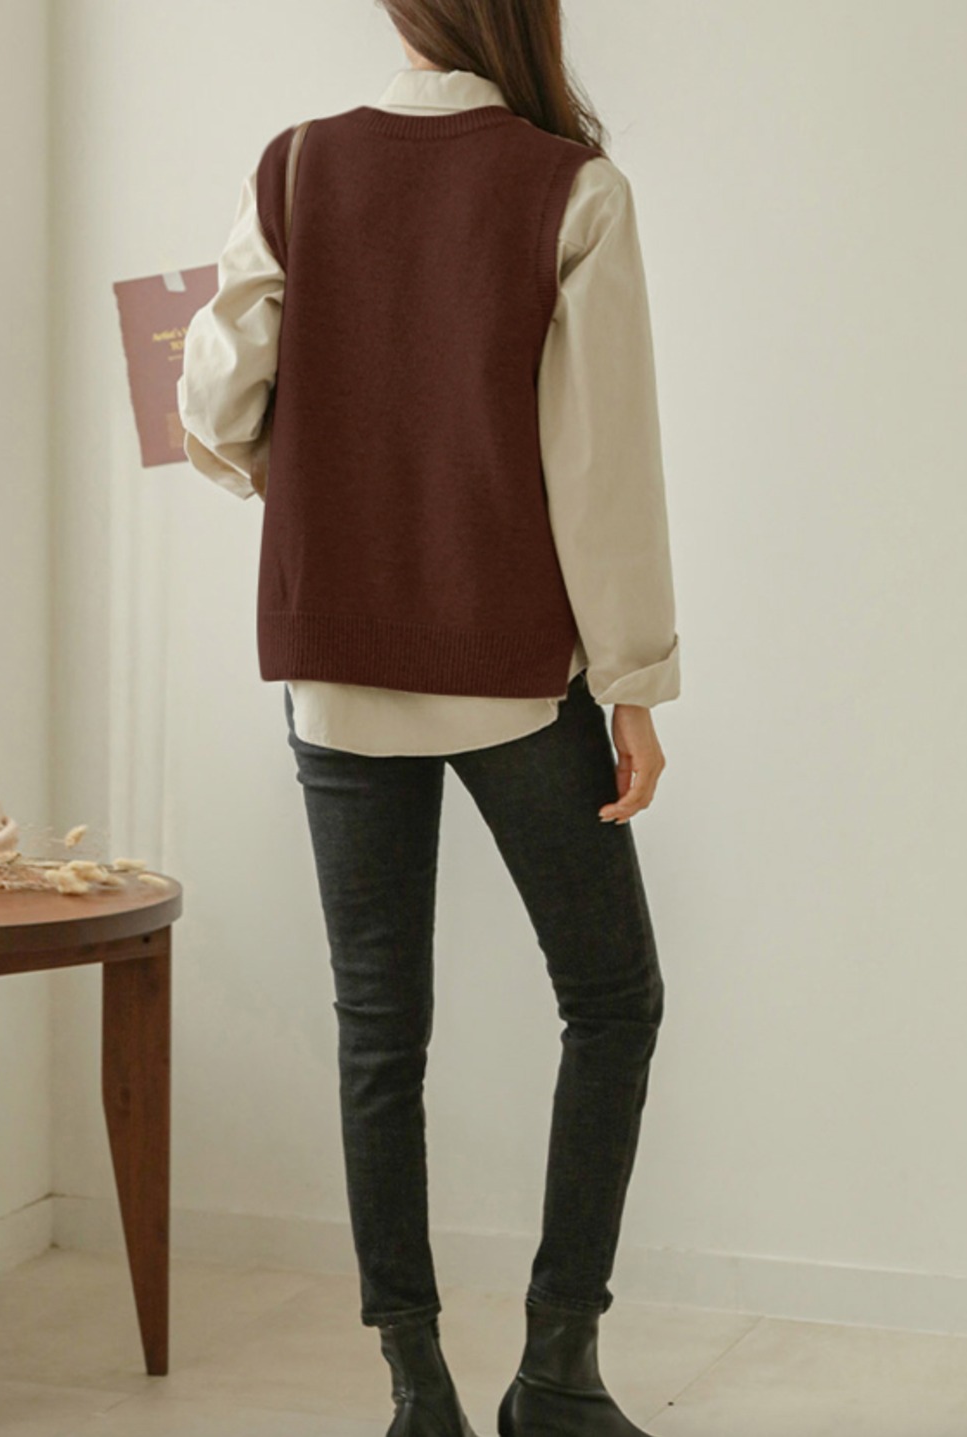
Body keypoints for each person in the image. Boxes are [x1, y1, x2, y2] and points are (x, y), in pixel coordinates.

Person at [178, 3, 681, 1433]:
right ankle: (559, 1371)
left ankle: (417, 1391)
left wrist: (305, 466)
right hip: (510, 671)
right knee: (612, 999)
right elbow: (600, 462)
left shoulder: (295, 166)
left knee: (379, 1030)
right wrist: (634, 681)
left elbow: (216, 400)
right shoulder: (572, 187)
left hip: (334, 671)